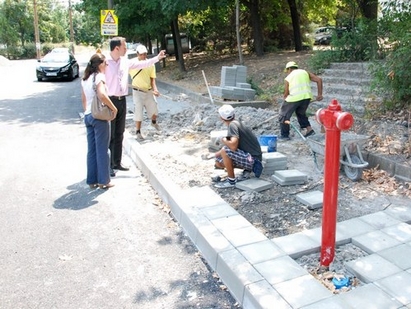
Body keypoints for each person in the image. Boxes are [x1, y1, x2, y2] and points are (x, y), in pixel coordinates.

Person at [105, 37, 166, 176]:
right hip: (110, 101)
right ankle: (108, 165)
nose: (126, 49)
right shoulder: (105, 62)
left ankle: (117, 162)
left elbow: (144, 64)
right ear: (116, 48)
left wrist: (157, 58)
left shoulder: (125, 62)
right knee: (111, 134)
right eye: (124, 47)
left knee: (119, 132)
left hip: (122, 100)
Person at [81, 53, 118, 190]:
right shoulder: (99, 77)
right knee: (102, 149)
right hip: (99, 118)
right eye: (106, 63)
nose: (107, 65)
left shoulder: (85, 78)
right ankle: (104, 180)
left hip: (88, 116)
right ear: (100, 64)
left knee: (91, 150)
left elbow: (84, 99)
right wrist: (113, 108)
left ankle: (92, 180)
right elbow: (102, 94)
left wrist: (88, 111)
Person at [213, 105, 263, 188]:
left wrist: (223, 139)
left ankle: (231, 181)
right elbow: (234, 143)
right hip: (255, 159)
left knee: (225, 150)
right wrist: (215, 155)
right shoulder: (237, 123)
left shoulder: (232, 125)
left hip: (254, 161)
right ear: (234, 115)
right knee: (218, 162)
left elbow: (232, 146)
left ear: (221, 118)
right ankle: (247, 170)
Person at [279, 61, 323, 140]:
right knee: (300, 113)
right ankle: (309, 130)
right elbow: (319, 80)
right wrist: (319, 94)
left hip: (294, 98)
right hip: (306, 97)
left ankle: (284, 135)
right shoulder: (305, 72)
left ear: (289, 69)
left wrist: (285, 100)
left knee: (283, 115)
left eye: (287, 71)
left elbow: (286, 93)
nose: (287, 73)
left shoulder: (288, 77)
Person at [129, 44, 161, 141]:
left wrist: (155, 89)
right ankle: (138, 131)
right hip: (137, 91)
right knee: (138, 111)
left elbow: (152, 79)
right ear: (137, 54)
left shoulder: (150, 64)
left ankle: (153, 122)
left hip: (148, 91)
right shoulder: (132, 63)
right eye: (141, 54)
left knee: (154, 108)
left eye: (145, 54)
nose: (143, 56)